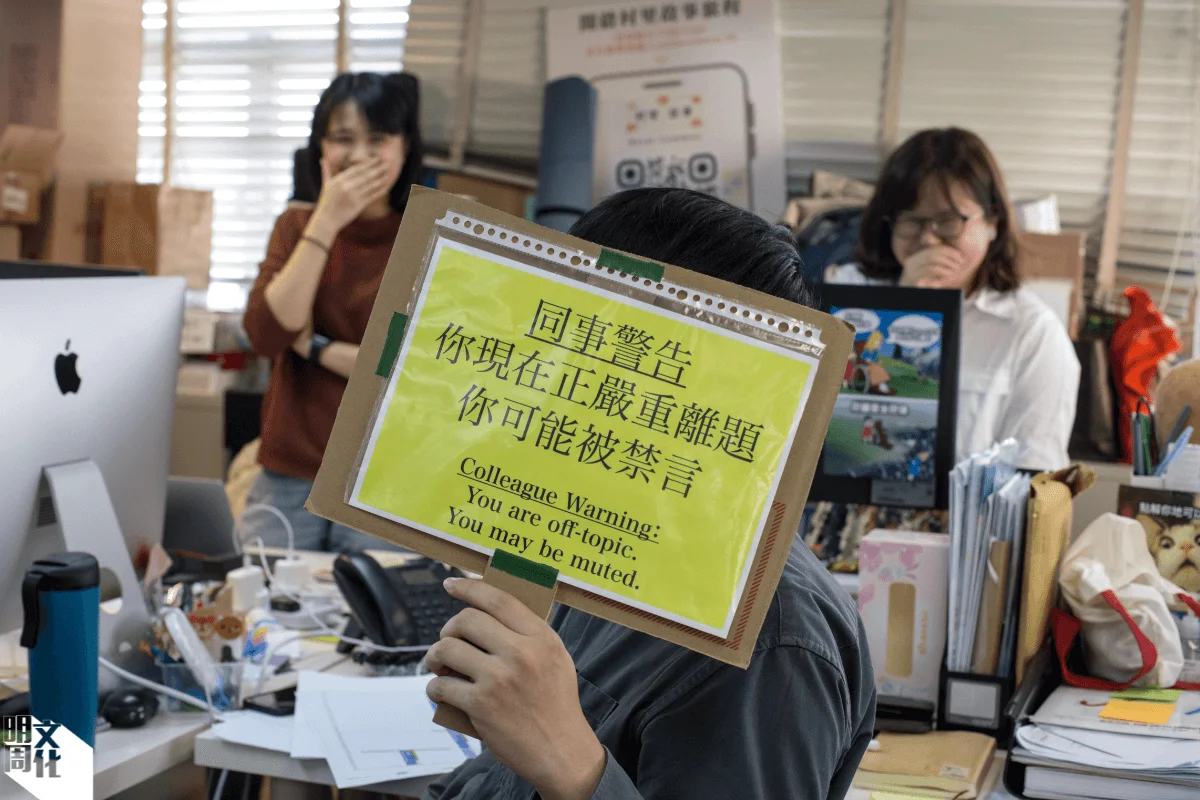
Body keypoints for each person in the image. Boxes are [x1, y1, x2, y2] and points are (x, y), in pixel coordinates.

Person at [421, 188, 876, 800]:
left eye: (590, 335)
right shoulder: (613, 539)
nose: (545, 368)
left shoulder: (770, 637)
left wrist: (574, 765)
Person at [241, 72, 422, 553]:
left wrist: (315, 348)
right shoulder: (296, 226)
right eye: (343, 138)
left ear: (404, 147)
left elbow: (412, 365)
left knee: (372, 603)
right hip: (288, 473)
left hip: (383, 479)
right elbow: (267, 334)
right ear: (321, 149)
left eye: (377, 139)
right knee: (256, 593)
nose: (359, 156)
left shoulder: (426, 234)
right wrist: (327, 219)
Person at [827, 127, 1079, 470]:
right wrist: (902, 310)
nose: (928, 240)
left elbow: (1037, 471)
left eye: (947, 221)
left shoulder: (1033, 331)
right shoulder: (847, 294)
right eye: (911, 220)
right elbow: (830, 435)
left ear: (992, 221)